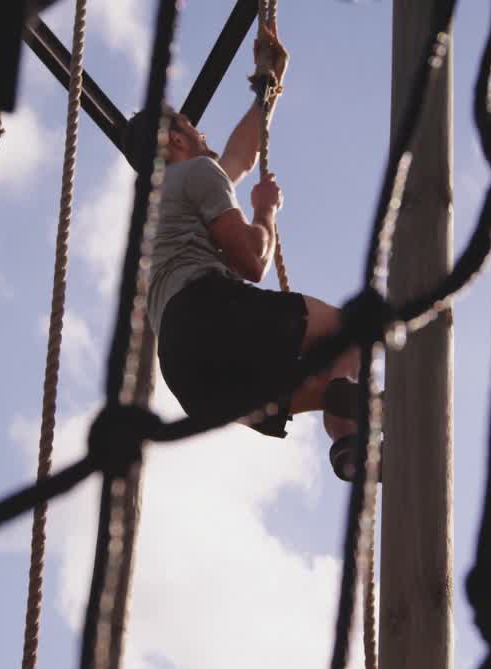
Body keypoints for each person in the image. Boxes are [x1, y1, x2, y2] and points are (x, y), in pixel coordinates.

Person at [123, 21, 364, 481]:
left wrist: (267, 87)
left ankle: (349, 443)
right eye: (192, 128)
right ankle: (345, 403)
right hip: (210, 311)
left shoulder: (156, 207)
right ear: (175, 139)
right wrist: (265, 213)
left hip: (187, 376)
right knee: (350, 331)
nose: (203, 136)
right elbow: (252, 261)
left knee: (318, 388)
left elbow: (238, 158)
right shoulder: (195, 174)